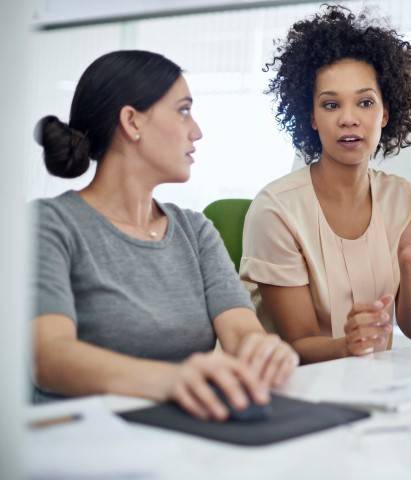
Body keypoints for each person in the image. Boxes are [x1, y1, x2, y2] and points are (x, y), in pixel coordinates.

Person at [32, 50, 298, 421]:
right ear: (132, 121)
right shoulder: (50, 224)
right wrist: (172, 380)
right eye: (184, 110)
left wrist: (262, 350)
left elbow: (240, 332)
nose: (197, 131)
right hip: (83, 441)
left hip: (183, 431)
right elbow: (49, 357)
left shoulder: (195, 230)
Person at [240, 6, 411, 364]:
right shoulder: (277, 208)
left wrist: (408, 264)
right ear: (311, 117)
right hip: (283, 386)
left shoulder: (402, 196)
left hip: (366, 383)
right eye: (331, 105)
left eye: (365, 102)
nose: (348, 119)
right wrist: (349, 345)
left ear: (385, 114)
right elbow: (298, 344)